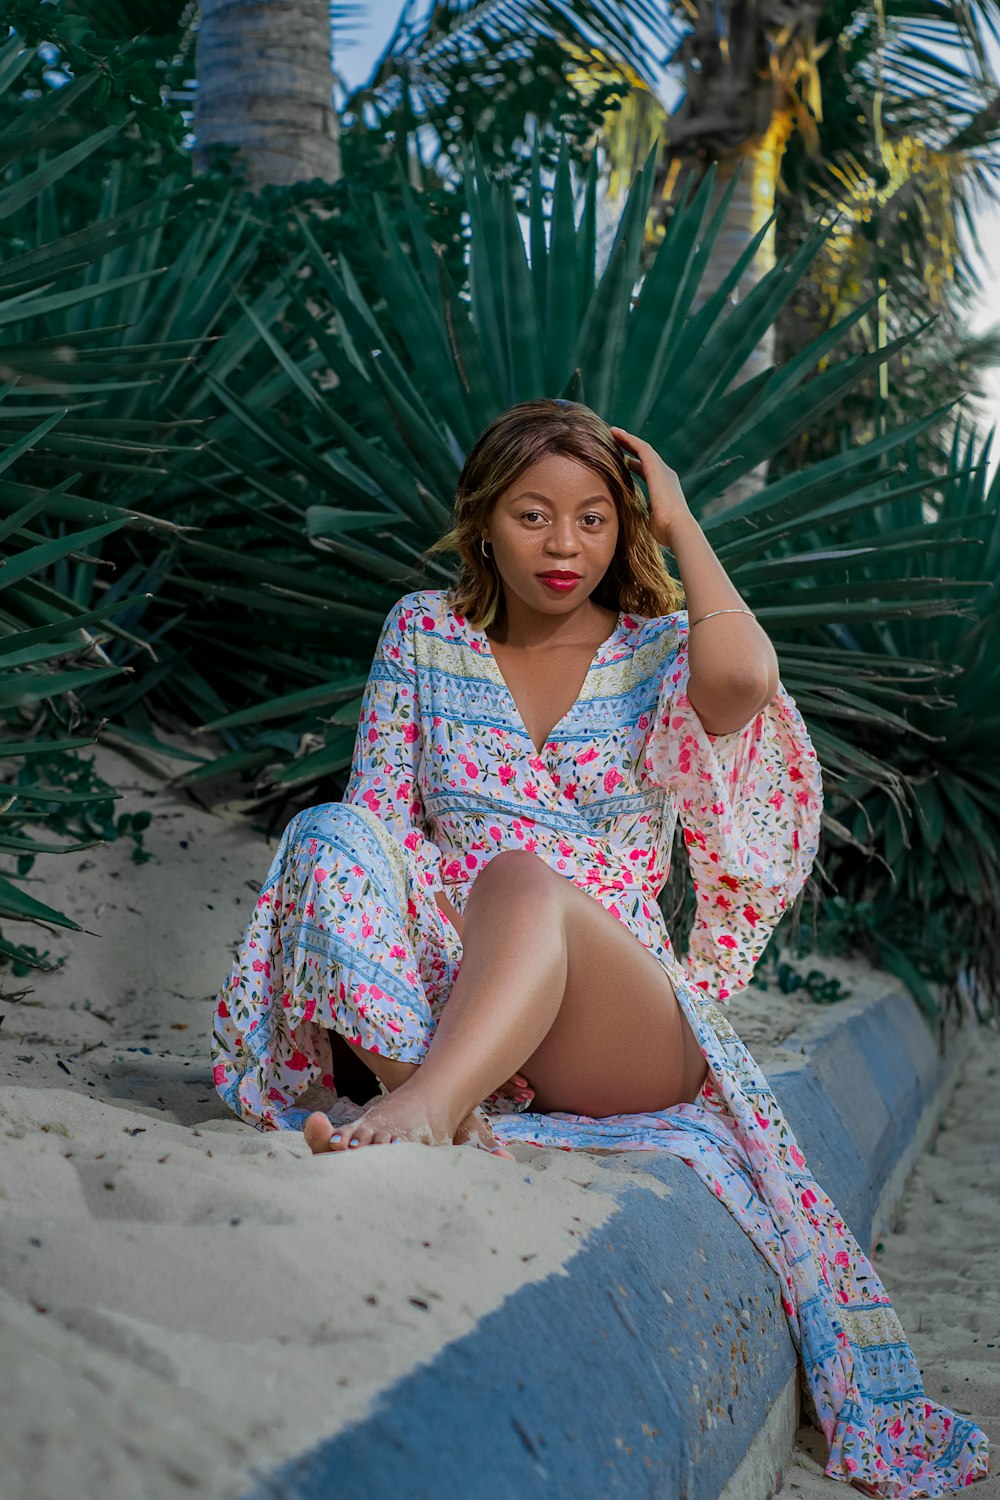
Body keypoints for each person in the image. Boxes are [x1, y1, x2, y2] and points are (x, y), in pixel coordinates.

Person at [211, 399, 988, 1496]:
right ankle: (428, 1088)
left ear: (626, 532)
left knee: (527, 881)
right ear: (483, 522)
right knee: (329, 832)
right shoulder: (424, 632)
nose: (564, 546)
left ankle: (429, 1108)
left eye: (592, 520)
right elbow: (380, 818)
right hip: (460, 973)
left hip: (616, 1017)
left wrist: (679, 519)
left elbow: (746, 686)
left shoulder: (661, 652)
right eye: (533, 515)